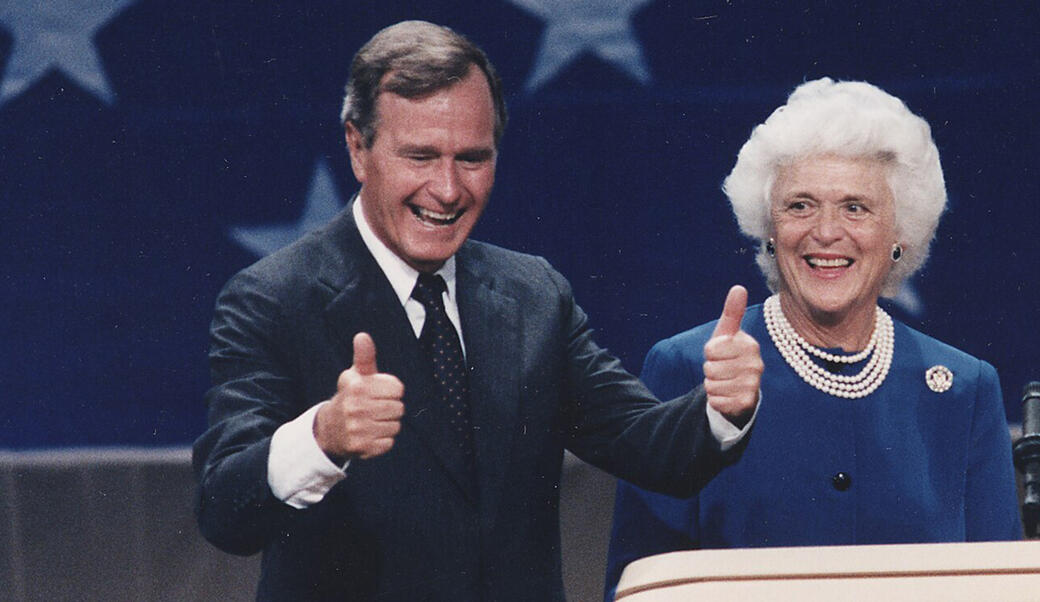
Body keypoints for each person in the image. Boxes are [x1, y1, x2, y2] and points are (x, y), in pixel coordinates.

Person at [192, 21, 760, 601]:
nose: (447, 188)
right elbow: (223, 509)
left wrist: (721, 407)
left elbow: (647, 446)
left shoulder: (534, 294)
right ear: (357, 149)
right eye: (420, 156)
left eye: (472, 158)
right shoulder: (272, 299)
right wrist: (324, 436)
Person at [605, 77, 1023, 597]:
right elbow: (641, 586)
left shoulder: (965, 389)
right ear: (769, 230)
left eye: (856, 207)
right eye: (800, 205)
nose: (826, 232)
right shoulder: (689, 367)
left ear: (899, 234)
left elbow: (1003, 586)